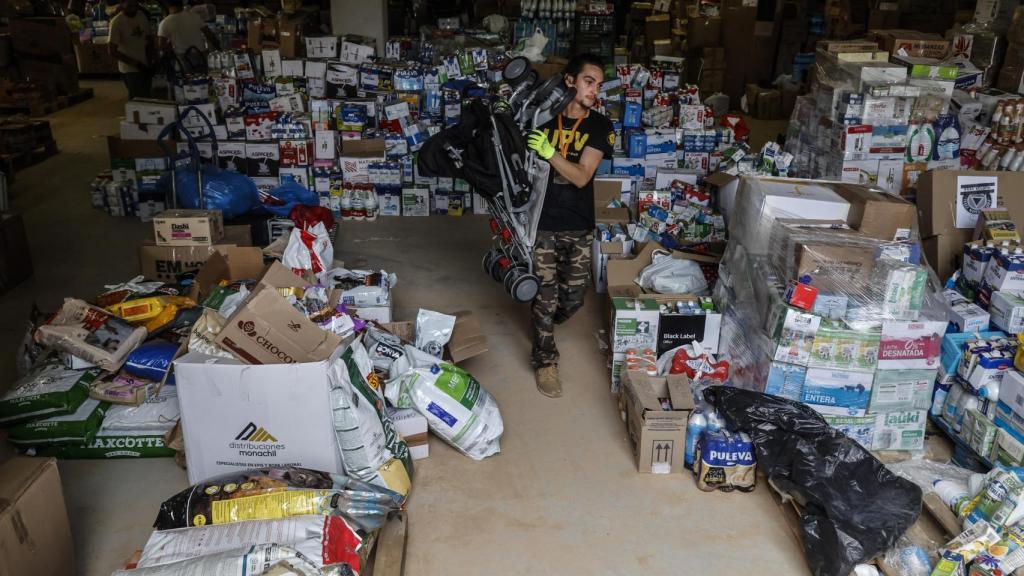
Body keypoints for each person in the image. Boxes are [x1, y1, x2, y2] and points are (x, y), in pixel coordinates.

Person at [524, 52, 615, 398]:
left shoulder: (600, 126)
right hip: (541, 222)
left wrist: (550, 153)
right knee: (545, 296)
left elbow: (581, 177)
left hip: (578, 222)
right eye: (589, 82)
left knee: (574, 297)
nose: (595, 90)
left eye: (599, 85)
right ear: (568, 81)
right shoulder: (540, 120)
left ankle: (545, 317)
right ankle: (545, 360)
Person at [108, 0, 154, 99]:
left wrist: (151, 60)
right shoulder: (116, 22)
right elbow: (112, 51)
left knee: (147, 97)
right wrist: (136, 64)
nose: (133, 8)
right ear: (122, 4)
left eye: (135, 5)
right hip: (130, 70)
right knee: (137, 99)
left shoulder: (141, 15)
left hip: (146, 65)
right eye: (130, 6)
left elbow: (148, 38)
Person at [157, 0, 219, 71]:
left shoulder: (165, 22)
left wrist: (170, 52)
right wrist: (218, 47)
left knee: (186, 77)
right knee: (204, 75)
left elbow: (161, 45)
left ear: (167, 6)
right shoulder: (195, 16)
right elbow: (209, 34)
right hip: (200, 54)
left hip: (183, 57)